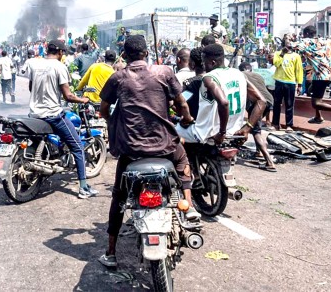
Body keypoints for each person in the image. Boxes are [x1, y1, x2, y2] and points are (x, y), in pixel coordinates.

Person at [98, 35, 199, 268]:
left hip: (131, 150)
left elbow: (104, 109)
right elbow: (182, 104)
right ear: (146, 53)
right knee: (183, 160)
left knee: (119, 197)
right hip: (164, 146)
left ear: (124, 55)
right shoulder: (163, 73)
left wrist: (114, 119)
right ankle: (189, 205)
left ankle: (111, 252)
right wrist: (187, 118)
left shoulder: (118, 77)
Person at [27, 40, 97, 199]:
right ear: (59, 52)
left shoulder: (36, 65)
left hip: (34, 114)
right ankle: (84, 188)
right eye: (63, 52)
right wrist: (83, 100)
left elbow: (32, 88)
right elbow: (68, 96)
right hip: (53, 115)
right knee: (78, 146)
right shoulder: (60, 67)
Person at [175, 43, 266, 145]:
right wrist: (248, 127)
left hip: (207, 133)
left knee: (172, 131)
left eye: (204, 62)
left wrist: (222, 132)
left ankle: (182, 161)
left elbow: (224, 103)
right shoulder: (239, 74)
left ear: (213, 62)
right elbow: (262, 101)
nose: (203, 66)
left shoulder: (209, 77)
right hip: (235, 132)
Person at [296, 26, 331, 123]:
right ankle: (318, 116)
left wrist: (289, 40)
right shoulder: (326, 41)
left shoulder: (307, 41)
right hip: (329, 73)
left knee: (316, 103)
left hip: (321, 76)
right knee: (311, 90)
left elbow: (291, 45)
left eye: (303, 35)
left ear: (307, 34)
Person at [238, 62, 276, 171]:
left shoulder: (241, 75)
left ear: (241, 69)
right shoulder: (258, 75)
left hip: (257, 103)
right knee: (256, 127)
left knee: (255, 131)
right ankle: (258, 152)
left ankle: (269, 162)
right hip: (269, 100)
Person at [271, 36, 303, 131]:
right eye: (287, 39)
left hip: (290, 83)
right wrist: (282, 54)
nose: (289, 41)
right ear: (284, 41)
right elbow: (276, 64)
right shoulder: (277, 53)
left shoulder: (296, 56)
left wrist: (299, 84)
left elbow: (299, 70)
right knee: (277, 104)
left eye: (290, 40)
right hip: (279, 82)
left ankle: (289, 125)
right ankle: (275, 124)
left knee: (289, 104)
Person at [183, 47, 205, 119]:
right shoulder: (216, 80)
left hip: (195, 124)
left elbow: (181, 104)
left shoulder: (190, 84)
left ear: (192, 63)